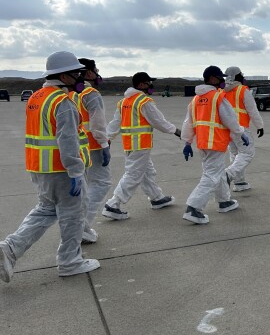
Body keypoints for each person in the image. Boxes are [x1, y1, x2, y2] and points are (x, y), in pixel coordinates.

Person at [1, 51, 99, 282]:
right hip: (62, 171)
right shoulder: (62, 103)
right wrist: (76, 172)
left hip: (40, 168)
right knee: (73, 215)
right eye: (76, 73)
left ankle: (9, 249)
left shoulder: (37, 97)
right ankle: (70, 261)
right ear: (63, 76)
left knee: (45, 210)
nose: (80, 77)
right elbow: (67, 141)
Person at [102, 72, 181, 220]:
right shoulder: (144, 101)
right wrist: (176, 131)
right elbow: (158, 121)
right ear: (141, 85)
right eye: (149, 82)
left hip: (130, 145)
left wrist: (108, 137)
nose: (151, 85)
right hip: (140, 144)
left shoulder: (125, 101)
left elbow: (115, 123)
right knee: (133, 174)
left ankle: (156, 197)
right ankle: (113, 204)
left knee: (147, 172)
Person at [180, 66, 249, 224]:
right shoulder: (217, 97)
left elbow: (188, 123)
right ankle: (193, 207)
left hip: (203, 143)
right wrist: (241, 132)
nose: (223, 81)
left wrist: (188, 142)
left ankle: (224, 201)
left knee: (215, 172)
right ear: (212, 79)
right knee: (212, 175)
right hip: (216, 142)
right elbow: (230, 119)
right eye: (220, 78)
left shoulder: (196, 100)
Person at [69, 58, 111, 244]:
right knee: (101, 183)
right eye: (95, 70)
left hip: (75, 145)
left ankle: (80, 226)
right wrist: (104, 145)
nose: (97, 73)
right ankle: (83, 226)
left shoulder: (69, 93)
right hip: (92, 145)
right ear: (88, 73)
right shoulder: (91, 93)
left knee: (85, 187)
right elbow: (97, 123)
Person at [222, 66, 263, 192]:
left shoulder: (221, 91)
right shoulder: (243, 90)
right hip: (241, 128)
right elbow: (252, 110)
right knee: (247, 153)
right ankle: (228, 174)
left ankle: (239, 182)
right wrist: (260, 125)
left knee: (235, 154)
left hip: (227, 128)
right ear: (236, 76)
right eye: (241, 74)